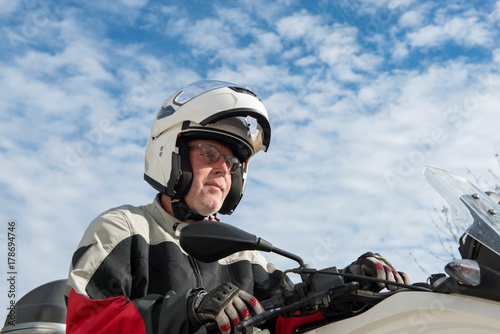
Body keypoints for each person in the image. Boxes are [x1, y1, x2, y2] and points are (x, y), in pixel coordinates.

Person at [65, 80, 409, 334]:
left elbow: (289, 315)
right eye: (210, 154)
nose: (223, 170)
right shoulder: (125, 229)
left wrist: (347, 286)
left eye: (233, 163)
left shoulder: (245, 255)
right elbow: (86, 324)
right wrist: (189, 308)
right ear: (172, 155)